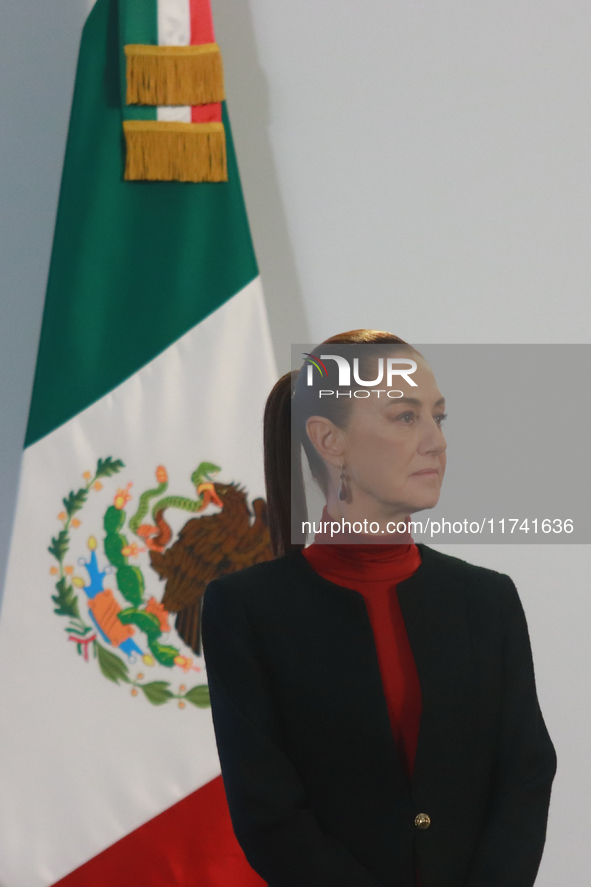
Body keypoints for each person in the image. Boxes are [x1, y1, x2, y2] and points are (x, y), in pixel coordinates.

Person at [201, 329, 557, 887]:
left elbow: (526, 776)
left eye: (438, 417)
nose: (436, 441)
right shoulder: (245, 610)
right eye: (405, 417)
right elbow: (268, 813)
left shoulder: (488, 600)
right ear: (330, 440)